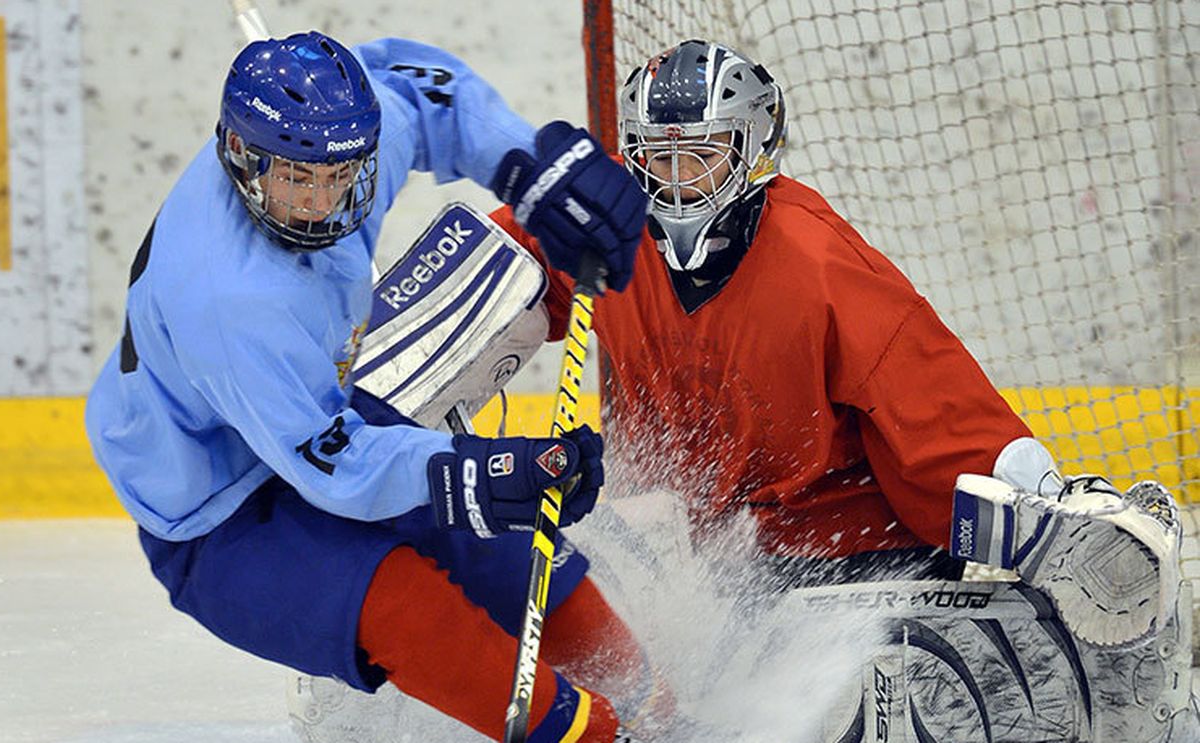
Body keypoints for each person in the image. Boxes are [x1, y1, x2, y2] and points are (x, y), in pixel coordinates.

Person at [492, 40, 1197, 742]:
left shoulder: (818, 261)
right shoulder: (612, 234)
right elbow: (513, 256)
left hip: (864, 558)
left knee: (840, 710)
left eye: (699, 157)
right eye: (658, 157)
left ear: (752, 152)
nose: (675, 183)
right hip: (731, 564)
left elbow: (928, 396)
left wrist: (1033, 505)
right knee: (588, 564)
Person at [85, 31, 660, 743]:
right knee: (400, 603)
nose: (325, 202)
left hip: (310, 405)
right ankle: (602, 737)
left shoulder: (334, 147)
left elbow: (426, 95)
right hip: (212, 512)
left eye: (341, 175)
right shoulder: (231, 300)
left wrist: (527, 166)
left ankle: (656, 707)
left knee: (492, 545)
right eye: (299, 181)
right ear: (241, 157)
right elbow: (335, 469)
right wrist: (472, 473)